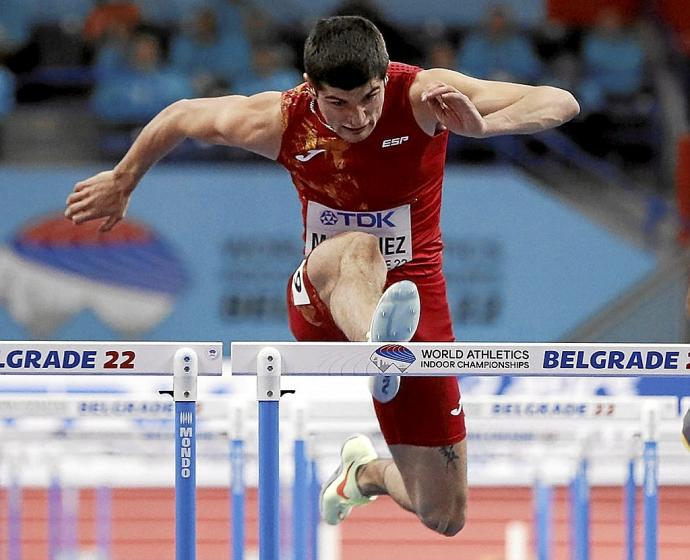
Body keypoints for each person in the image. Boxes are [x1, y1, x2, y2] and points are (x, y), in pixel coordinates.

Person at [65, 16, 579, 536]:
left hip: (413, 303)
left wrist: (483, 127)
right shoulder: (279, 120)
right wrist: (123, 179)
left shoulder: (424, 95)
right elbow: (180, 115)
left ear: (385, 79)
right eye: (339, 103)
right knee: (360, 248)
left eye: (369, 98)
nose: (358, 117)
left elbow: (560, 101)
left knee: (444, 513)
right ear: (313, 92)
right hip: (323, 294)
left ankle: (364, 473)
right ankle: (378, 347)